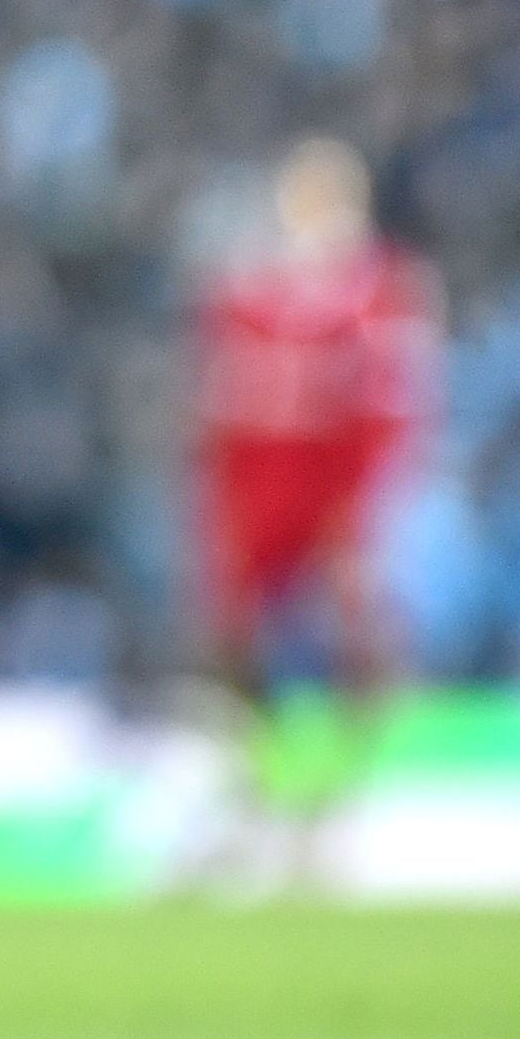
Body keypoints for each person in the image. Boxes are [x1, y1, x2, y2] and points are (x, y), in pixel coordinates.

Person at [196, 137, 438, 720]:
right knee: (239, 610)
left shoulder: (381, 288)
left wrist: (376, 478)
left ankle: (367, 733)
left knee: (357, 604)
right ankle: (248, 738)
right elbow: (221, 399)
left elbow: (395, 394)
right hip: (264, 467)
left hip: (339, 467)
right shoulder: (246, 288)